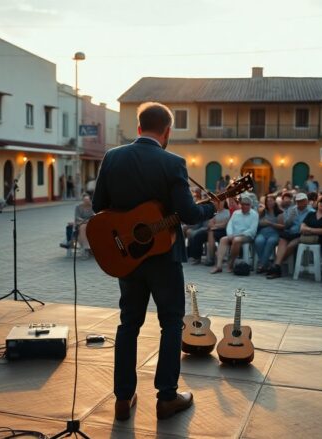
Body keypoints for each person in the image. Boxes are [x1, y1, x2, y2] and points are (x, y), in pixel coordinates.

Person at [91, 102, 219, 421]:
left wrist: (124, 229)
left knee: (128, 324)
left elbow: (97, 206)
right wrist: (212, 208)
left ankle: (123, 398)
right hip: (163, 258)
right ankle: (166, 398)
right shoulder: (173, 162)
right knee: (171, 323)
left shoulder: (112, 157)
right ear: (167, 132)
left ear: (138, 128)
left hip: (126, 257)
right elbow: (189, 214)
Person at [265, 192, 314, 279]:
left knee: (291, 245)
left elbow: (311, 225)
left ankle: (276, 266)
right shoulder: (292, 210)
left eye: (302, 201)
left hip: (301, 234)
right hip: (290, 232)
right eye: (298, 201)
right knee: (282, 240)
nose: (300, 203)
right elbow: (286, 225)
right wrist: (291, 218)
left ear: (306, 201)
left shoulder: (311, 212)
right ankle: (277, 267)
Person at [211, 195, 259, 273]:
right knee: (223, 239)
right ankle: (219, 266)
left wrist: (236, 235)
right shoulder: (236, 213)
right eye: (243, 204)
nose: (245, 206)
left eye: (247, 204)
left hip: (247, 236)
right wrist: (230, 234)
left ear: (250, 205)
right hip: (233, 235)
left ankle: (231, 263)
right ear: (241, 204)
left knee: (236, 240)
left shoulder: (254, 214)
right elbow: (230, 225)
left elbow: (252, 230)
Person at [60, 193, 95, 259]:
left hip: (90, 224)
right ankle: (86, 249)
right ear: (83, 200)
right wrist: (84, 220)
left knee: (83, 228)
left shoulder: (92, 207)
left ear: (90, 200)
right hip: (81, 223)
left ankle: (86, 250)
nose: (86, 201)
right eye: (85, 200)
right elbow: (77, 217)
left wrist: (87, 220)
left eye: (88, 200)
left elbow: (94, 215)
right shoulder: (78, 207)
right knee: (82, 227)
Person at [255, 194, 284, 273]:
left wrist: (270, 223)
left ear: (275, 201)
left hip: (274, 233)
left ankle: (262, 265)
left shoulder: (279, 213)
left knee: (270, 242)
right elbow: (257, 223)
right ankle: (265, 264)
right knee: (258, 241)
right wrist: (262, 223)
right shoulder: (263, 212)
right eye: (267, 201)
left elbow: (282, 226)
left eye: (271, 201)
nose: (269, 203)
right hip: (263, 232)